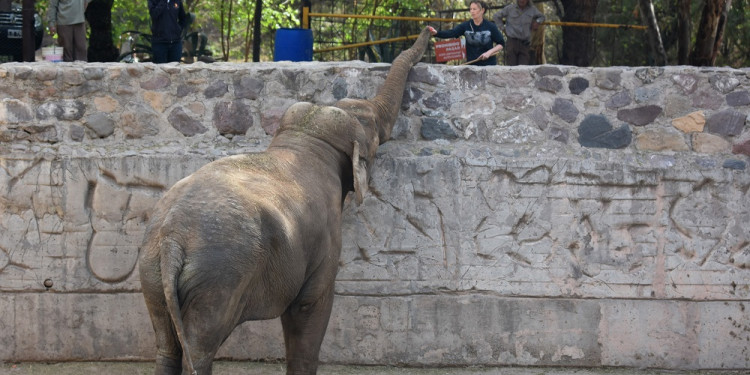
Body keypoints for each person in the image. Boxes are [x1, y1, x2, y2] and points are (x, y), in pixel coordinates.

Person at [428, 0, 504, 66]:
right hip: (472, 64)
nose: (472, 11)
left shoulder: (491, 26)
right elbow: (452, 33)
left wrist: (489, 52)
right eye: (470, 9)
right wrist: (437, 33)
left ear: (482, 10)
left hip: (489, 64)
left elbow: (501, 43)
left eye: (475, 9)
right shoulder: (466, 25)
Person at [493, 0, 545, 65]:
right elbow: (496, 16)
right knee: (511, 68)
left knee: (523, 68)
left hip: (525, 43)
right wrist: (503, 29)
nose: (522, 1)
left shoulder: (532, 9)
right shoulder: (510, 8)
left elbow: (542, 17)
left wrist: (537, 22)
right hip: (512, 42)